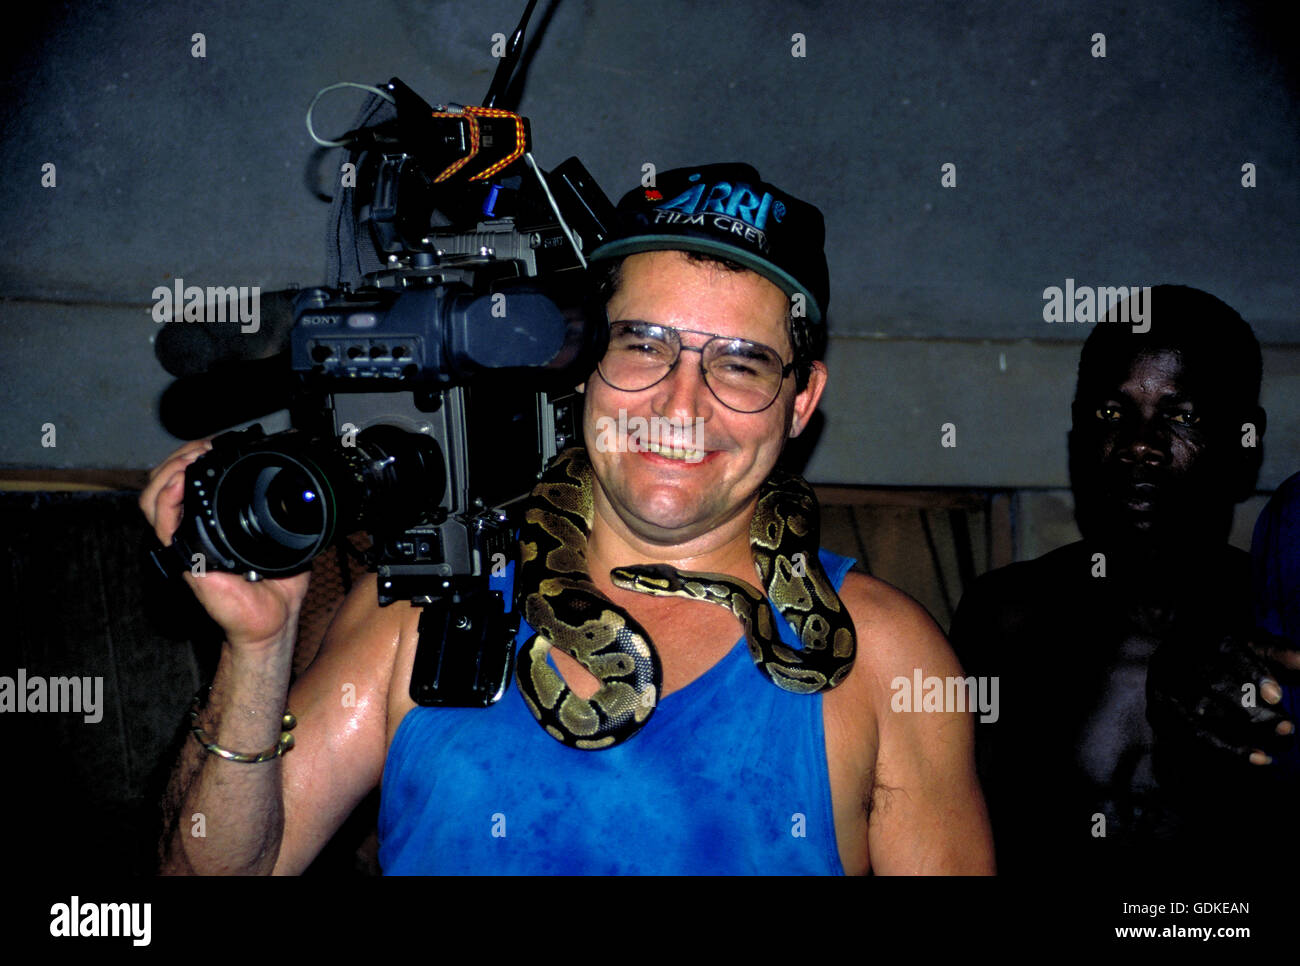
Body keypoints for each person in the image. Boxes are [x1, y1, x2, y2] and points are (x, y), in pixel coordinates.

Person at [142, 163, 993, 875]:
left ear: (800, 401)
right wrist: (257, 649)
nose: (679, 402)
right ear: (579, 363)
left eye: (740, 363)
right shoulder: (423, 611)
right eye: (643, 343)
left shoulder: (885, 657)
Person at [948, 285, 1298, 873]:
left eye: (1181, 417)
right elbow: (949, 838)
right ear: (1079, 437)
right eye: (1112, 414)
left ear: (1246, 442)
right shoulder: (1004, 617)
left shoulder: (1277, 628)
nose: (1140, 445)